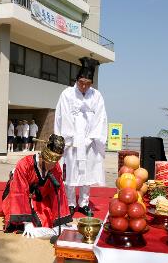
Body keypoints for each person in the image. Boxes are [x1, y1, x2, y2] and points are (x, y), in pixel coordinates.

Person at [54, 57, 107, 217]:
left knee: (86, 173)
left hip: (90, 142)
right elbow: (62, 116)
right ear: (76, 80)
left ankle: (83, 202)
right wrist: (71, 137)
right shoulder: (67, 94)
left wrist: (91, 138)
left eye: (87, 83)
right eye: (81, 82)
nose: (84, 86)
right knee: (70, 172)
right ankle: (70, 202)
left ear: (91, 83)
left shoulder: (96, 96)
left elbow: (101, 118)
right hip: (71, 142)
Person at [1, 134, 72, 238]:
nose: (52, 166)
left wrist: (60, 221)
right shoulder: (24, 164)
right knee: (27, 225)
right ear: (43, 156)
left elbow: (58, 193)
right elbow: (19, 192)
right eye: (49, 163)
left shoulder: (55, 168)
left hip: (39, 199)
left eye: (55, 163)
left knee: (49, 222)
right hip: (18, 197)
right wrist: (27, 223)